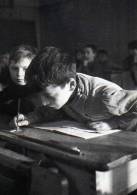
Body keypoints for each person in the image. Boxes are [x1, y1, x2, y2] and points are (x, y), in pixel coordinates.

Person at [11, 47, 137, 132]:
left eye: (49, 97)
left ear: (71, 85)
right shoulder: (62, 90)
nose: (43, 103)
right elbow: (53, 110)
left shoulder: (106, 97)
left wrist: (113, 124)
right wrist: (31, 118)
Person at [0, 44, 38, 117]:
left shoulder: (41, 88)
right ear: (8, 67)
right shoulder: (4, 88)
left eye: (25, 69)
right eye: (15, 68)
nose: (19, 74)